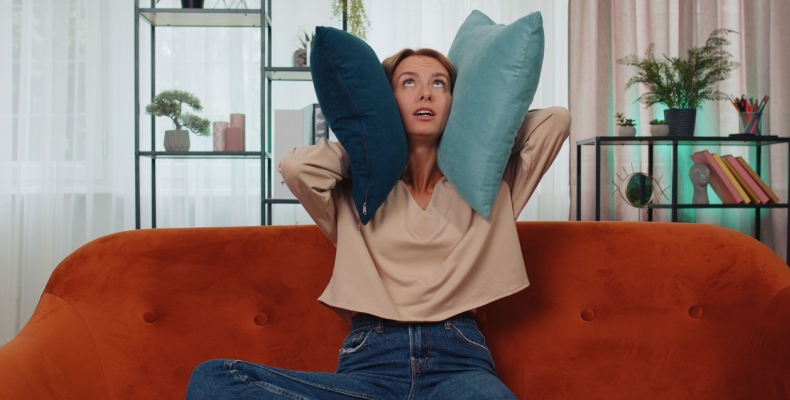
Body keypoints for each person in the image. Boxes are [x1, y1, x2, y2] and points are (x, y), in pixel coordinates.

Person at [185, 47, 571, 399]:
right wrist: (369, 148)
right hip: (371, 364)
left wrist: (477, 128)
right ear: (387, 102)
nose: (426, 93)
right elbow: (296, 167)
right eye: (408, 83)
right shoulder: (354, 193)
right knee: (214, 379)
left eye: (440, 84)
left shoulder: (491, 187)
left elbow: (556, 122)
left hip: (459, 363)